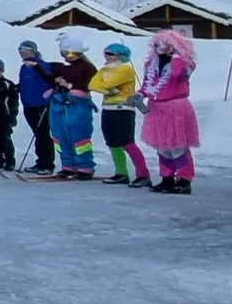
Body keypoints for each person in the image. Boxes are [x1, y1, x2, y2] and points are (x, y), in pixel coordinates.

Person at [138, 30, 199, 194]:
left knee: (177, 147)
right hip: (156, 109)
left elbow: (179, 75)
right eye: (155, 44)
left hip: (175, 108)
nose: (157, 47)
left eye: (162, 44)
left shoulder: (185, 64)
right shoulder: (151, 64)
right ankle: (167, 178)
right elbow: (147, 85)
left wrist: (176, 56)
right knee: (162, 147)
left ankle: (184, 179)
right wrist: (139, 95)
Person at [91, 43, 151, 187]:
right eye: (106, 53)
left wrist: (104, 86)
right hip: (108, 107)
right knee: (112, 142)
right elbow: (92, 84)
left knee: (127, 142)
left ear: (121, 56)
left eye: (111, 54)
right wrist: (107, 91)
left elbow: (109, 83)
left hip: (123, 108)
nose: (107, 56)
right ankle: (121, 172)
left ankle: (143, 174)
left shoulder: (126, 69)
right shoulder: (105, 69)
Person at [45, 34, 101, 179]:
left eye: (69, 53)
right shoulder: (64, 68)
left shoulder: (87, 68)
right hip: (60, 105)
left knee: (79, 137)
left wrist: (68, 85)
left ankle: (85, 166)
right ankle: (68, 165)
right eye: (64, 53)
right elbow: (49, 75)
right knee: (60, 136)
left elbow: (88, 84)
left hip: (78, 105)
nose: (66, 57)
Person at [15, 41, 58, 174]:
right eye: (20, 50)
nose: (22, 52)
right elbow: (24, 84)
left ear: (33, 50)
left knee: (43, 134)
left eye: (25, 49)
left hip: (41, 105)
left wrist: (47, 98)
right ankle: (40, 162)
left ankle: (47, 164)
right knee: (38, 134)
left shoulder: (41, 65)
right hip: (28, 104)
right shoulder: (24, 67)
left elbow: (49, 81)